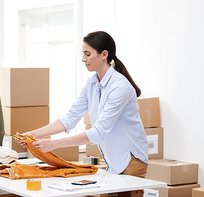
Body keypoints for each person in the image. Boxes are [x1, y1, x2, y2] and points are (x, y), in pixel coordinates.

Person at [17, 31, 148, 197]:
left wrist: (54, 144)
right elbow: (70, 118)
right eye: (82, 54)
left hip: (130, 160)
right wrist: (33, 134)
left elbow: (99, 132)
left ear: (104, 55)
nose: (83, 59)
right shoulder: (92, 83)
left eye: (88, 54)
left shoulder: (119, 87)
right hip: (112, 160)